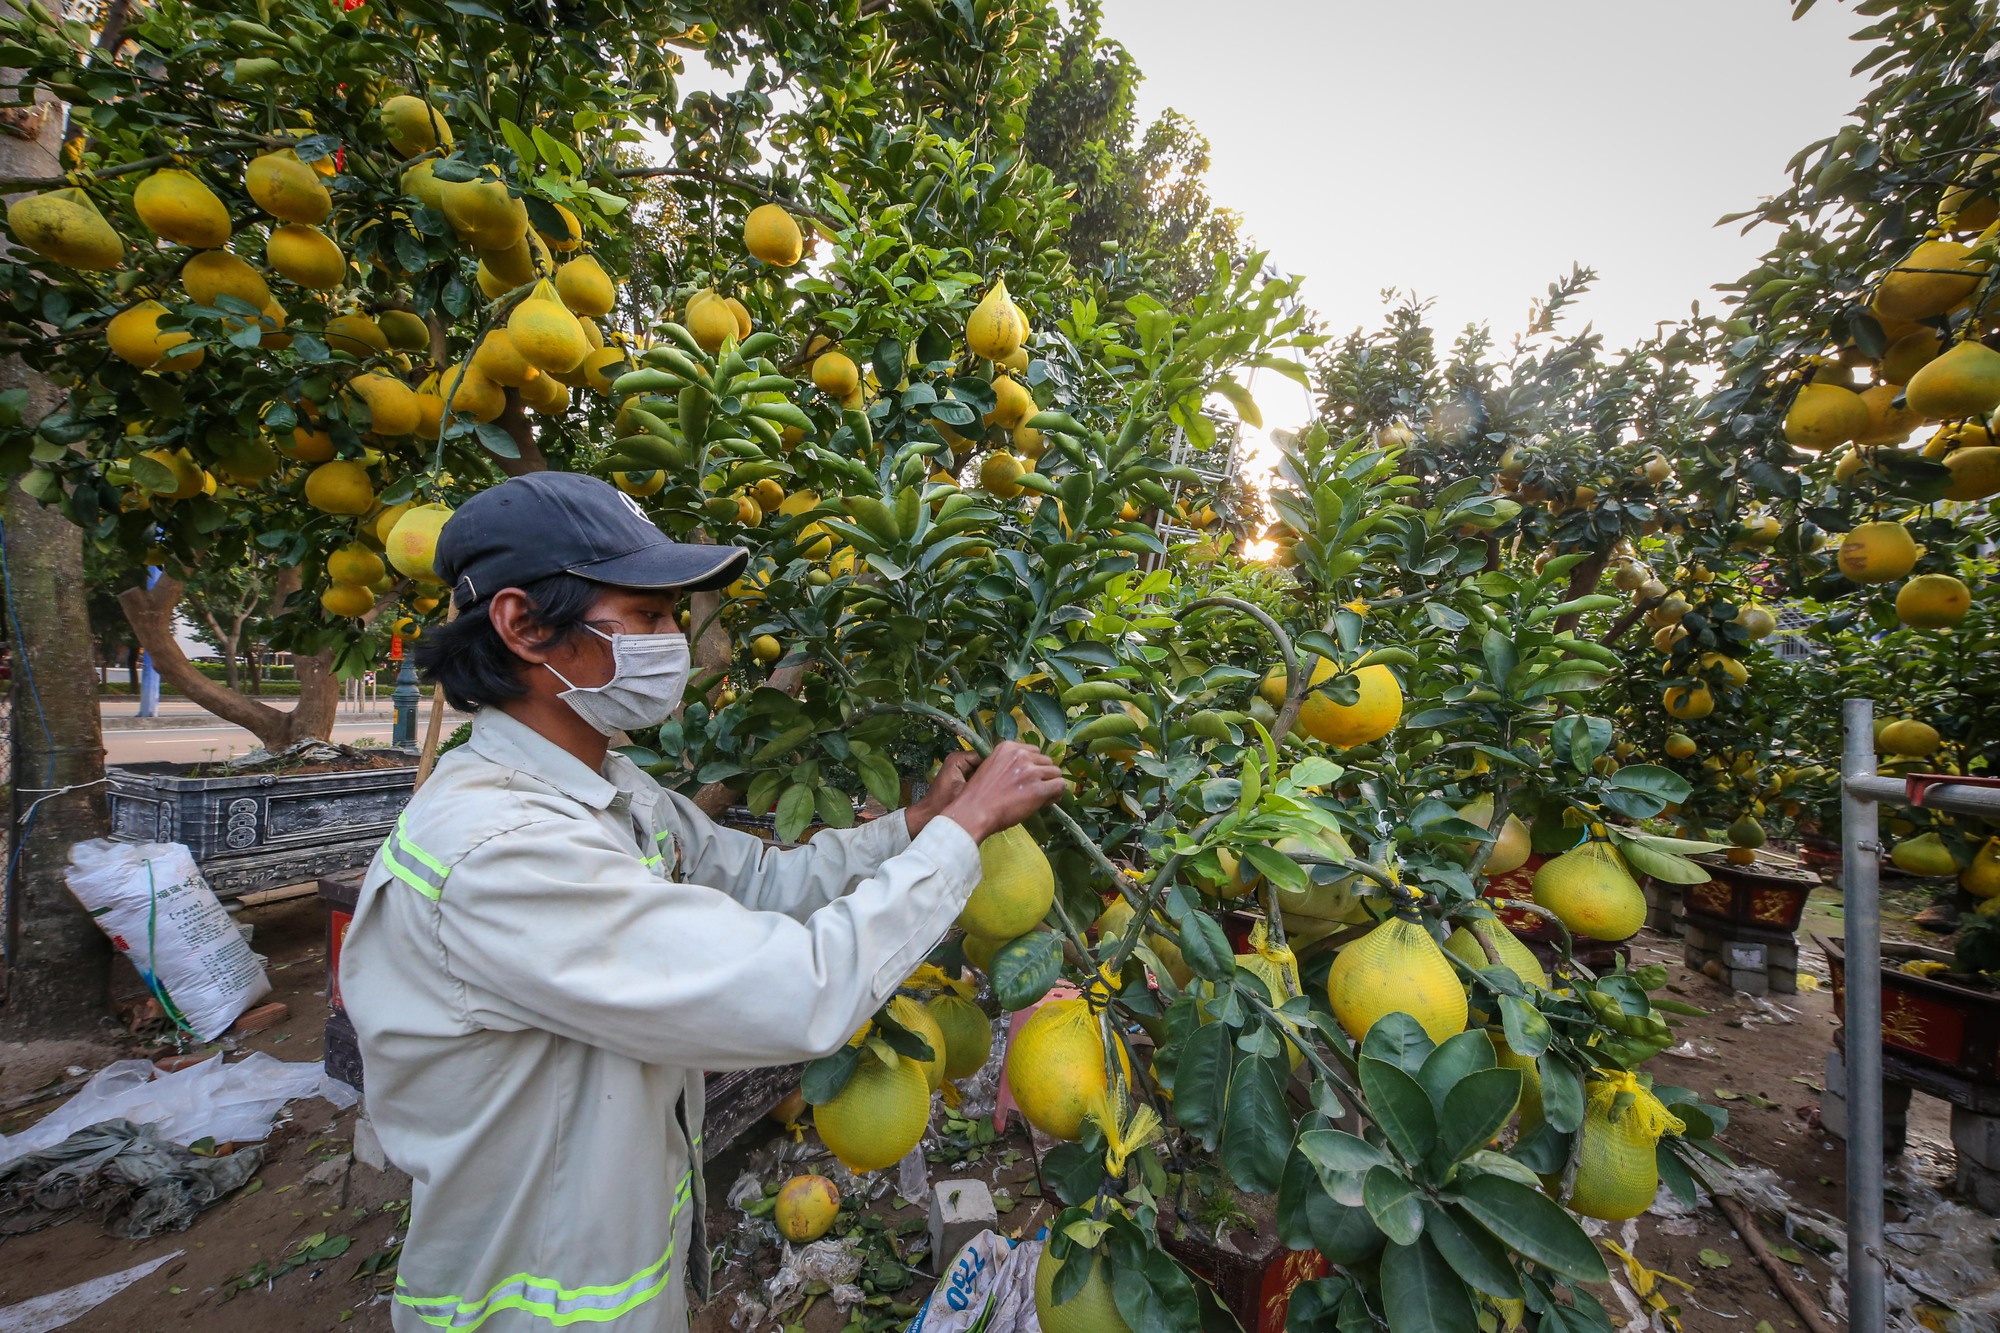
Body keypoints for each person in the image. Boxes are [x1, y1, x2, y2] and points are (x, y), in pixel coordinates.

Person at [339, 472, 1066, 1333]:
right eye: (644, 615)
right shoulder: (500, 850)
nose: (671, 638)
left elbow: (761, 880)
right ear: (524, 625)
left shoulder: (605, 789)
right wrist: (967, 830)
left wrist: (917, 825)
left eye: (669, 617)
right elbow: (799, 990)